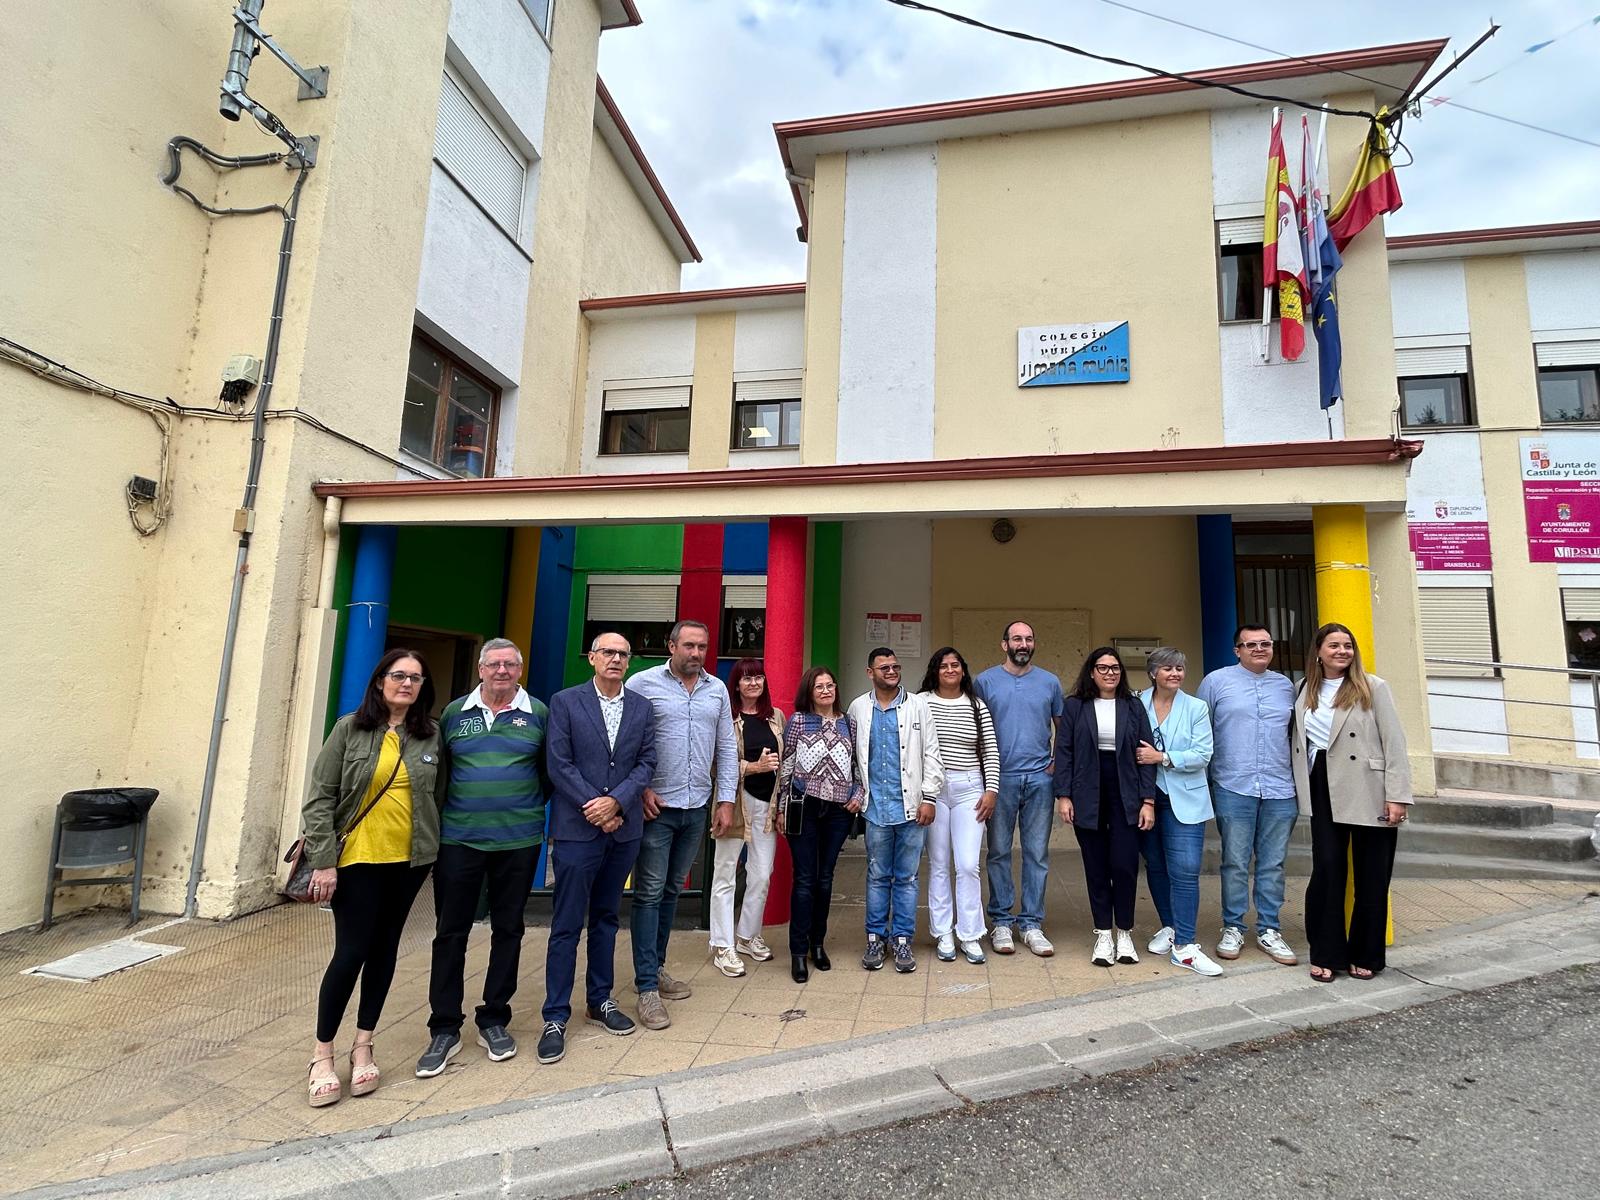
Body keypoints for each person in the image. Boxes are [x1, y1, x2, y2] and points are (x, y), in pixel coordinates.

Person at [303, 648, 444, 1107]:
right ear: (380, 679)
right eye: (399, 675)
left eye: (416, 678)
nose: (407, 684)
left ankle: (363, 1045)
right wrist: (324, 860)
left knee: (385, 951)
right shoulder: (351, 728)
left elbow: (436, 799)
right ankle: (322, 1055)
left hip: (407, 863)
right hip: (357, 861)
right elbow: (320, 798)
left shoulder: (430, 735)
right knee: (350, 953)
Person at [416, 639, 549, 1078]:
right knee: (449, 932)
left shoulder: (538, 714)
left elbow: (547, 776)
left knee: (509, 929)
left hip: (519, 839)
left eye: (510, 664)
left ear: (520, 669)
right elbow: (444, 776)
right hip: (460, 841)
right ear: (480, 668)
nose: (502, 671)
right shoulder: (455, 714)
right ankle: (445, 1027)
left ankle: (494, 1018)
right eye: (494, 663)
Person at [536, 632, 658, 1064]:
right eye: (608, 652)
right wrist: (597, 805)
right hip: (578, 828)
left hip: (622, 831)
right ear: (591, 657)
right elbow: (558, 763)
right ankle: (554, 1015)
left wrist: (617, 802)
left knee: (607, 919)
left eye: (623, 654)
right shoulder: (566, 702)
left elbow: (646, 762)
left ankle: (600, 999)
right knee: (566, 924)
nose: (616, 659)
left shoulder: (642, 708)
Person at [625, 620, 739, 1030]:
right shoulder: (641, 684)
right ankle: (646, 988)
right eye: (688, 645)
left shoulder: (717, 690)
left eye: (702, 646)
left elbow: (726, 747)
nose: (696, 653)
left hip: (696, 807)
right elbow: (623, 743)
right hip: (656, 807)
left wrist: (725, 800)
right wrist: (637, 791)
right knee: (650, 892)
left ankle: (655, 968)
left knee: (672, 891)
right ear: (671, 645)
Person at [1292, 623, 1413, 982]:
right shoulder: (1304, 689)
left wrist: (1398, 796)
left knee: (1372, 875)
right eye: (1334, 645)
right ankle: (1327, 952)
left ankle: (1367, 953)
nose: (1342, 651)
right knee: (1327, 869)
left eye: (1348, 645)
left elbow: (1395, 742)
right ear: (1319, 651)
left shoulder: (1373, 687)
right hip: (1322, 785)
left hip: (1369, 786)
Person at [1196, 624, 1301, 967]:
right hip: (1233, 784)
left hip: (1279, 787)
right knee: (1235, 862)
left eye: (1265, 644)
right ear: (1236, 649)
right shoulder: (1215, 682)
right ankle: (1234, 927)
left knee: (1273, 863)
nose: (1259, 649)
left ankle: (1269, 929)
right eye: (1250, 644)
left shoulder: (1286, 686)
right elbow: (1203, 731)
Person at [1054, 647, 1157, 967]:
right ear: (1092, 671)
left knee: (1124, 865)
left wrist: (1148, 801)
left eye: (1115, 668)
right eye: (1103, 667)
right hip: (1087, 791)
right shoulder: (1075, 706)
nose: (1110, 673)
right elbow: (1065, 751)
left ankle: (1124, 932)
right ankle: (1103, 934)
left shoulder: (1133, 705)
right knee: (1096, 866)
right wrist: (1063, 795)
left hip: (1125, 789)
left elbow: (1145, 755)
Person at [848, 648, 945, 974]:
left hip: (911, 810)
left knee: (906, 877)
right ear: (869, 672)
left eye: (895, 666)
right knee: (877, 876)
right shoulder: (858, 708)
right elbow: (852, 759)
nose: (891, 671)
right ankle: (875, 938)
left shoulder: (918, 706)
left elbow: (932, 754)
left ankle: (902, 940)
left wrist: (929, 797)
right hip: (875, 810)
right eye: (884, 667)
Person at [975, 621, 1065, 958]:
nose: (1023, 644)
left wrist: (1057, 761)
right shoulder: (985, 681)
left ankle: (1030, 924)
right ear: (1004, 645)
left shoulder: (1049, 682)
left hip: (1040, 779)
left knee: (1036, 854)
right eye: (1017, 638)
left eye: (1028, 638)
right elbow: (977, 730)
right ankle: (1001, 921)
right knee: (998, 851)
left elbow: (1062, 727)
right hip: (1000, 780)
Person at [1136, 648, 1223, 976]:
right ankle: (1170, 926)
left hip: (1184, 800)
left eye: (1179, 668)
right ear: (1153, 672)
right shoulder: (1135, 703)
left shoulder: (1196, 707)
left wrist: (1163, 757)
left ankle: (1185, 946)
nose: (1175, 673)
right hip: (1145, 798)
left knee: (1185, 870)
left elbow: (1203, 754)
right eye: (1168, 668)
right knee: (1156, 865)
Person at [775, 667, 863, 983]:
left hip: (839, 810)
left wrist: (859, 793)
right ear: (809, 692)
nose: (825, 690)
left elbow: (858, 765)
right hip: (804, 806)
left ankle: (818, 943)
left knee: (825, 878)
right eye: (818, 686)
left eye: (829, 685)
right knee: (805, 879)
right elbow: (786, 765)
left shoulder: (849, 723)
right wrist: (782, 807)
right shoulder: (798, 721)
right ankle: (798, 952)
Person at [918, 647, 999, 965]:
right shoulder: (921, 702)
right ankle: (944, 933)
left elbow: (990, 750)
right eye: (943, 665)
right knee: (938, 864)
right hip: (933, 789)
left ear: (963, 670)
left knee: (967, 865)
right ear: (934, 671)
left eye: (955, 665)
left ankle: (970, 933)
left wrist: (991, 790)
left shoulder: (977, 705)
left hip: (970, 789)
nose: (950, 669)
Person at [712, 658, 784, 977]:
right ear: (736, 684)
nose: (753, 683)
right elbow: (717, 763)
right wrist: (752, 767)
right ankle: (722, 944)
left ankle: (746, 935)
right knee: (725, 873)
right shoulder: (726, 717)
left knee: (761, 874)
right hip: (734, 803)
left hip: (767, 806)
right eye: (746, 678)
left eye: (759, 677)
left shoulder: (776, 717)